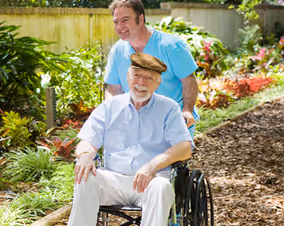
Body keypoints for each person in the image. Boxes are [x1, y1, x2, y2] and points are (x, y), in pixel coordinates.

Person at [68, 53, 193, 226]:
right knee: (85, 178)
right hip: (113, 181)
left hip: (152, 180)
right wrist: (85, 155)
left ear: (158, 83)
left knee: (162, 187)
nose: (141, 83)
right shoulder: (109, 107)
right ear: (128, 76)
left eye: (149, 78)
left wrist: (152, 166)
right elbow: (87, 140)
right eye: (136, 76)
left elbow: (184, 147)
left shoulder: (169, 108)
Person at [104, 0, 199, 137]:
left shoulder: (171, 46)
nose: (120, 26)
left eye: (125, 20)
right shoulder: (117, 50)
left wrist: (187, 110)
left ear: (140, 19)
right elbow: (113, 88)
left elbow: (189, 81)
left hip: (173, 124)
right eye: (116, 22)